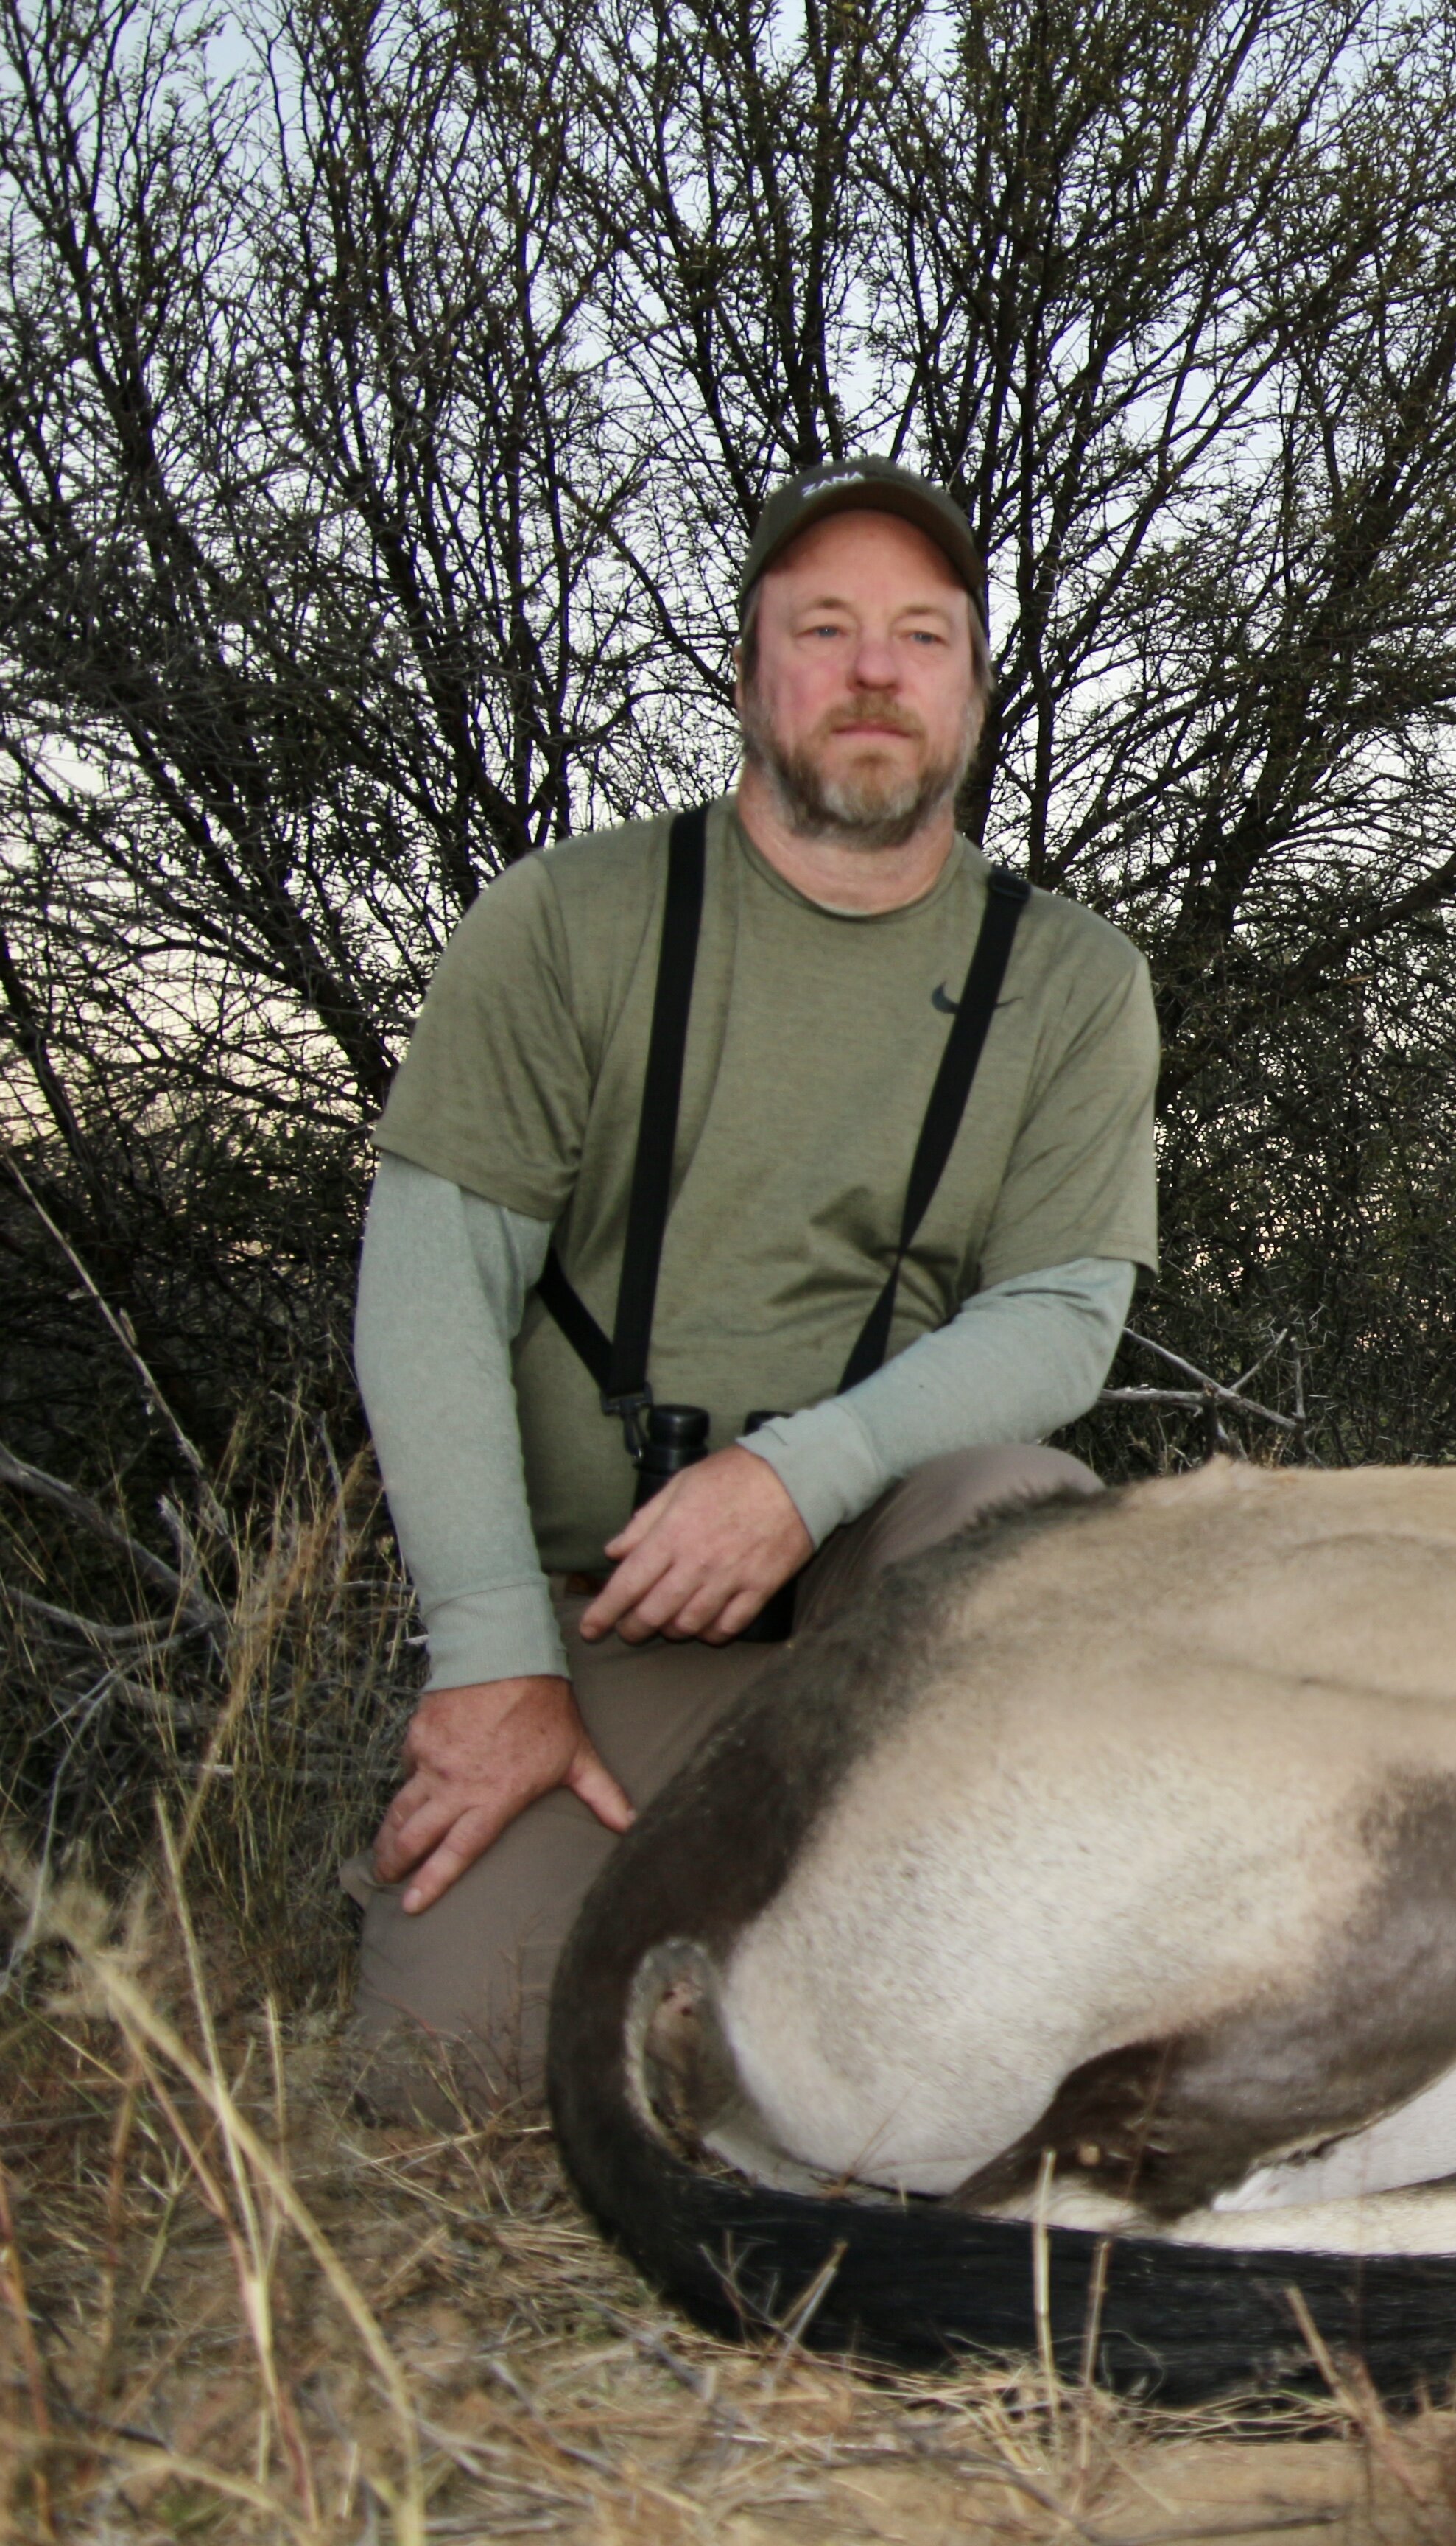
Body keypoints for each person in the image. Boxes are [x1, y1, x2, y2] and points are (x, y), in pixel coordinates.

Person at [343, 457, 1159, 2119]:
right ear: (749, 676)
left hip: (883, 1604)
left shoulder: (1073, 978)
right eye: (827, 628)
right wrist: (496, 1655)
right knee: (448, 2081)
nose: (874, 671)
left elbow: (1066, 1315)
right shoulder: (566, 922)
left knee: (1027, 1507)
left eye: (923, 636)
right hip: (607, 1619)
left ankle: (931, 1980)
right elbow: (428, 1290)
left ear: (976, 694)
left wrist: (798, 1480)